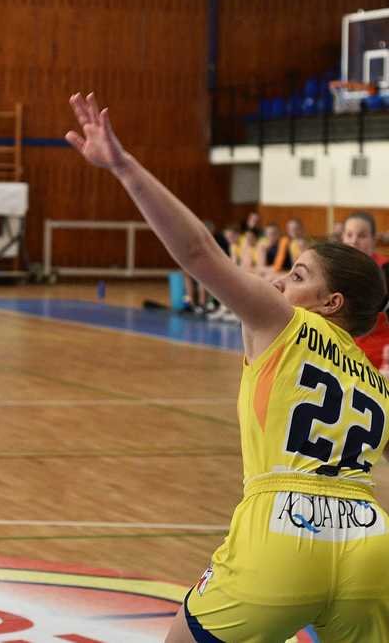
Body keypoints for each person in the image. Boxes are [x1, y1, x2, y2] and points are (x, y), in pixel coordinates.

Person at [66, 92, 389, 642]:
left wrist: (124, 167)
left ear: (331, 303)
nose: (280, 281)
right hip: (370, 540)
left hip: (285, 529)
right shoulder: (375, 382)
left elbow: (198, 252)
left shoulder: (284, 321)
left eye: (299, 275)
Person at [343, 211, 389, 373]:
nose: (354, 241)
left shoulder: (385, 269)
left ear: (373, 239)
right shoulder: (334, 270)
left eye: (362, 235)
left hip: (379, 356)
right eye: (349, 235)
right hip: (344, 353)